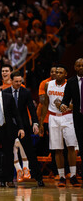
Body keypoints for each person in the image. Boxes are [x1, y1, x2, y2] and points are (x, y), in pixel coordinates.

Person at [3, 71, 45, 187]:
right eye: (16, 81)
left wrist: (35, 123)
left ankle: (39, 178)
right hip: (10, 126)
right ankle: (8, 180)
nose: (18, 83)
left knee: (30, 152)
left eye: (20, 81)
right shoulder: (5, 92)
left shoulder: (26, 92)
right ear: (11, 81)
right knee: (8, 153)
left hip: (24, 126)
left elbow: (31, 108)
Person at [42, 65, 80, 187]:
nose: (57, 74)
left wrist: (67, 106)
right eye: (56, 72)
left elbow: (78, 104)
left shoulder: (71, 84)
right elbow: (45, 104)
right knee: (57, 149)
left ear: (65, 74)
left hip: (68, 116)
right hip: (53, 117)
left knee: (71, 146)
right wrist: (42, 121)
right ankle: (62, 176)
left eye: (60, 72)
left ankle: (73, 176)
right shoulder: (48, 85)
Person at [60, 58, 83, 186]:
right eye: (78, 65)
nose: (80, 67)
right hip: (78, 117)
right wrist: (63, 105)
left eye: (82, 65)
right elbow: (65, 99)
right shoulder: (71, 82)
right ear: (74, 67)